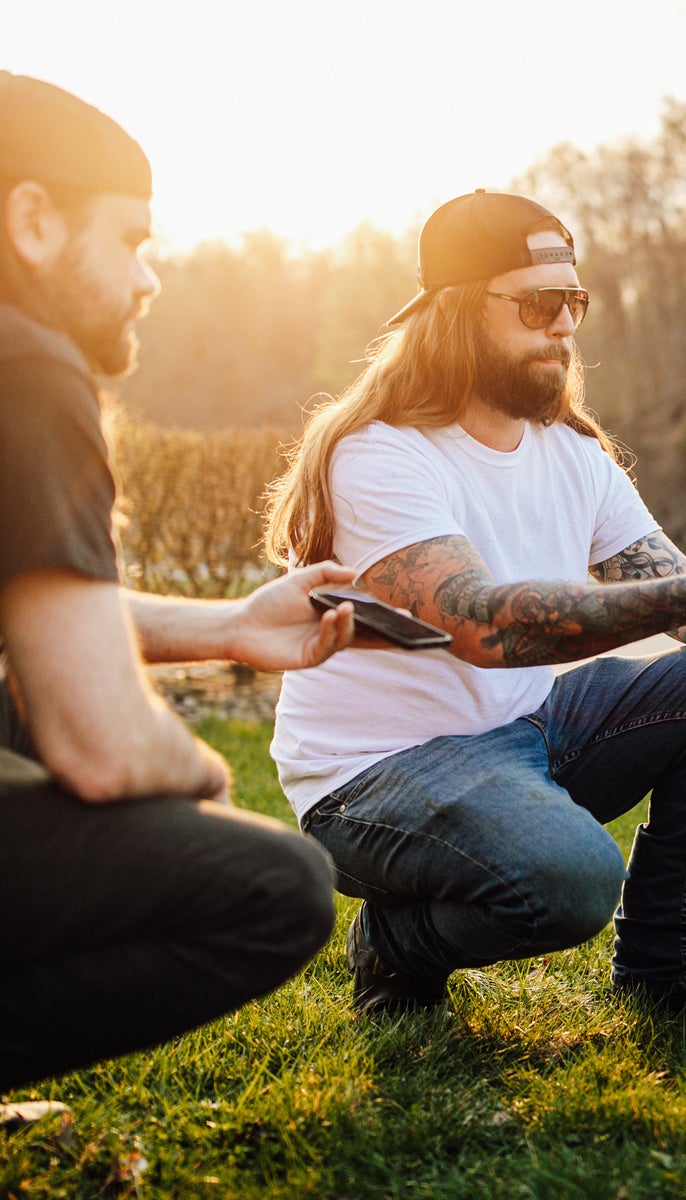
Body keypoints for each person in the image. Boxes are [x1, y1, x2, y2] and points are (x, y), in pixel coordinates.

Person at [262, 190, 686, 1019]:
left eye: (575, 302)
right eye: (539, 303)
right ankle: (395, 946)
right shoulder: (380, 456)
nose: (565, 326)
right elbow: (481, 623)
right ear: (458, 313)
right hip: (373, 780)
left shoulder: (572, 453)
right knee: (570, 879)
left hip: (523, 736)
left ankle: (669, 971)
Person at [0, 74, 361, 1103]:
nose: (148, 279)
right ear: (31, 220)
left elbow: (37, 618)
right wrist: (196, 774)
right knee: (277, 886)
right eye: (131, 241)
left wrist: (236, 628)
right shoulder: (26, 366)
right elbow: (105, 748)